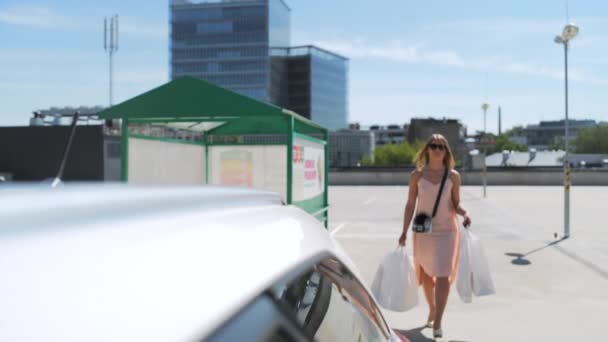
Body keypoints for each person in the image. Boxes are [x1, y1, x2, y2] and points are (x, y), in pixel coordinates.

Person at [398, 134, 472, 339]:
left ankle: (438, 319)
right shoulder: (417, 176)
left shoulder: (453, 176)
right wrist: (404, 231)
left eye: (441, 146)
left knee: (442, 276)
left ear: (446, 151)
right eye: (433, 145)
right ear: (427, 149)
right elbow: (410, 204)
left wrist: (465, 213)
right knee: (427, 276)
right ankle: (432, 307)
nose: (437, 148)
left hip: (447, 231)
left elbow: (456, 203)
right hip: (424, 232)